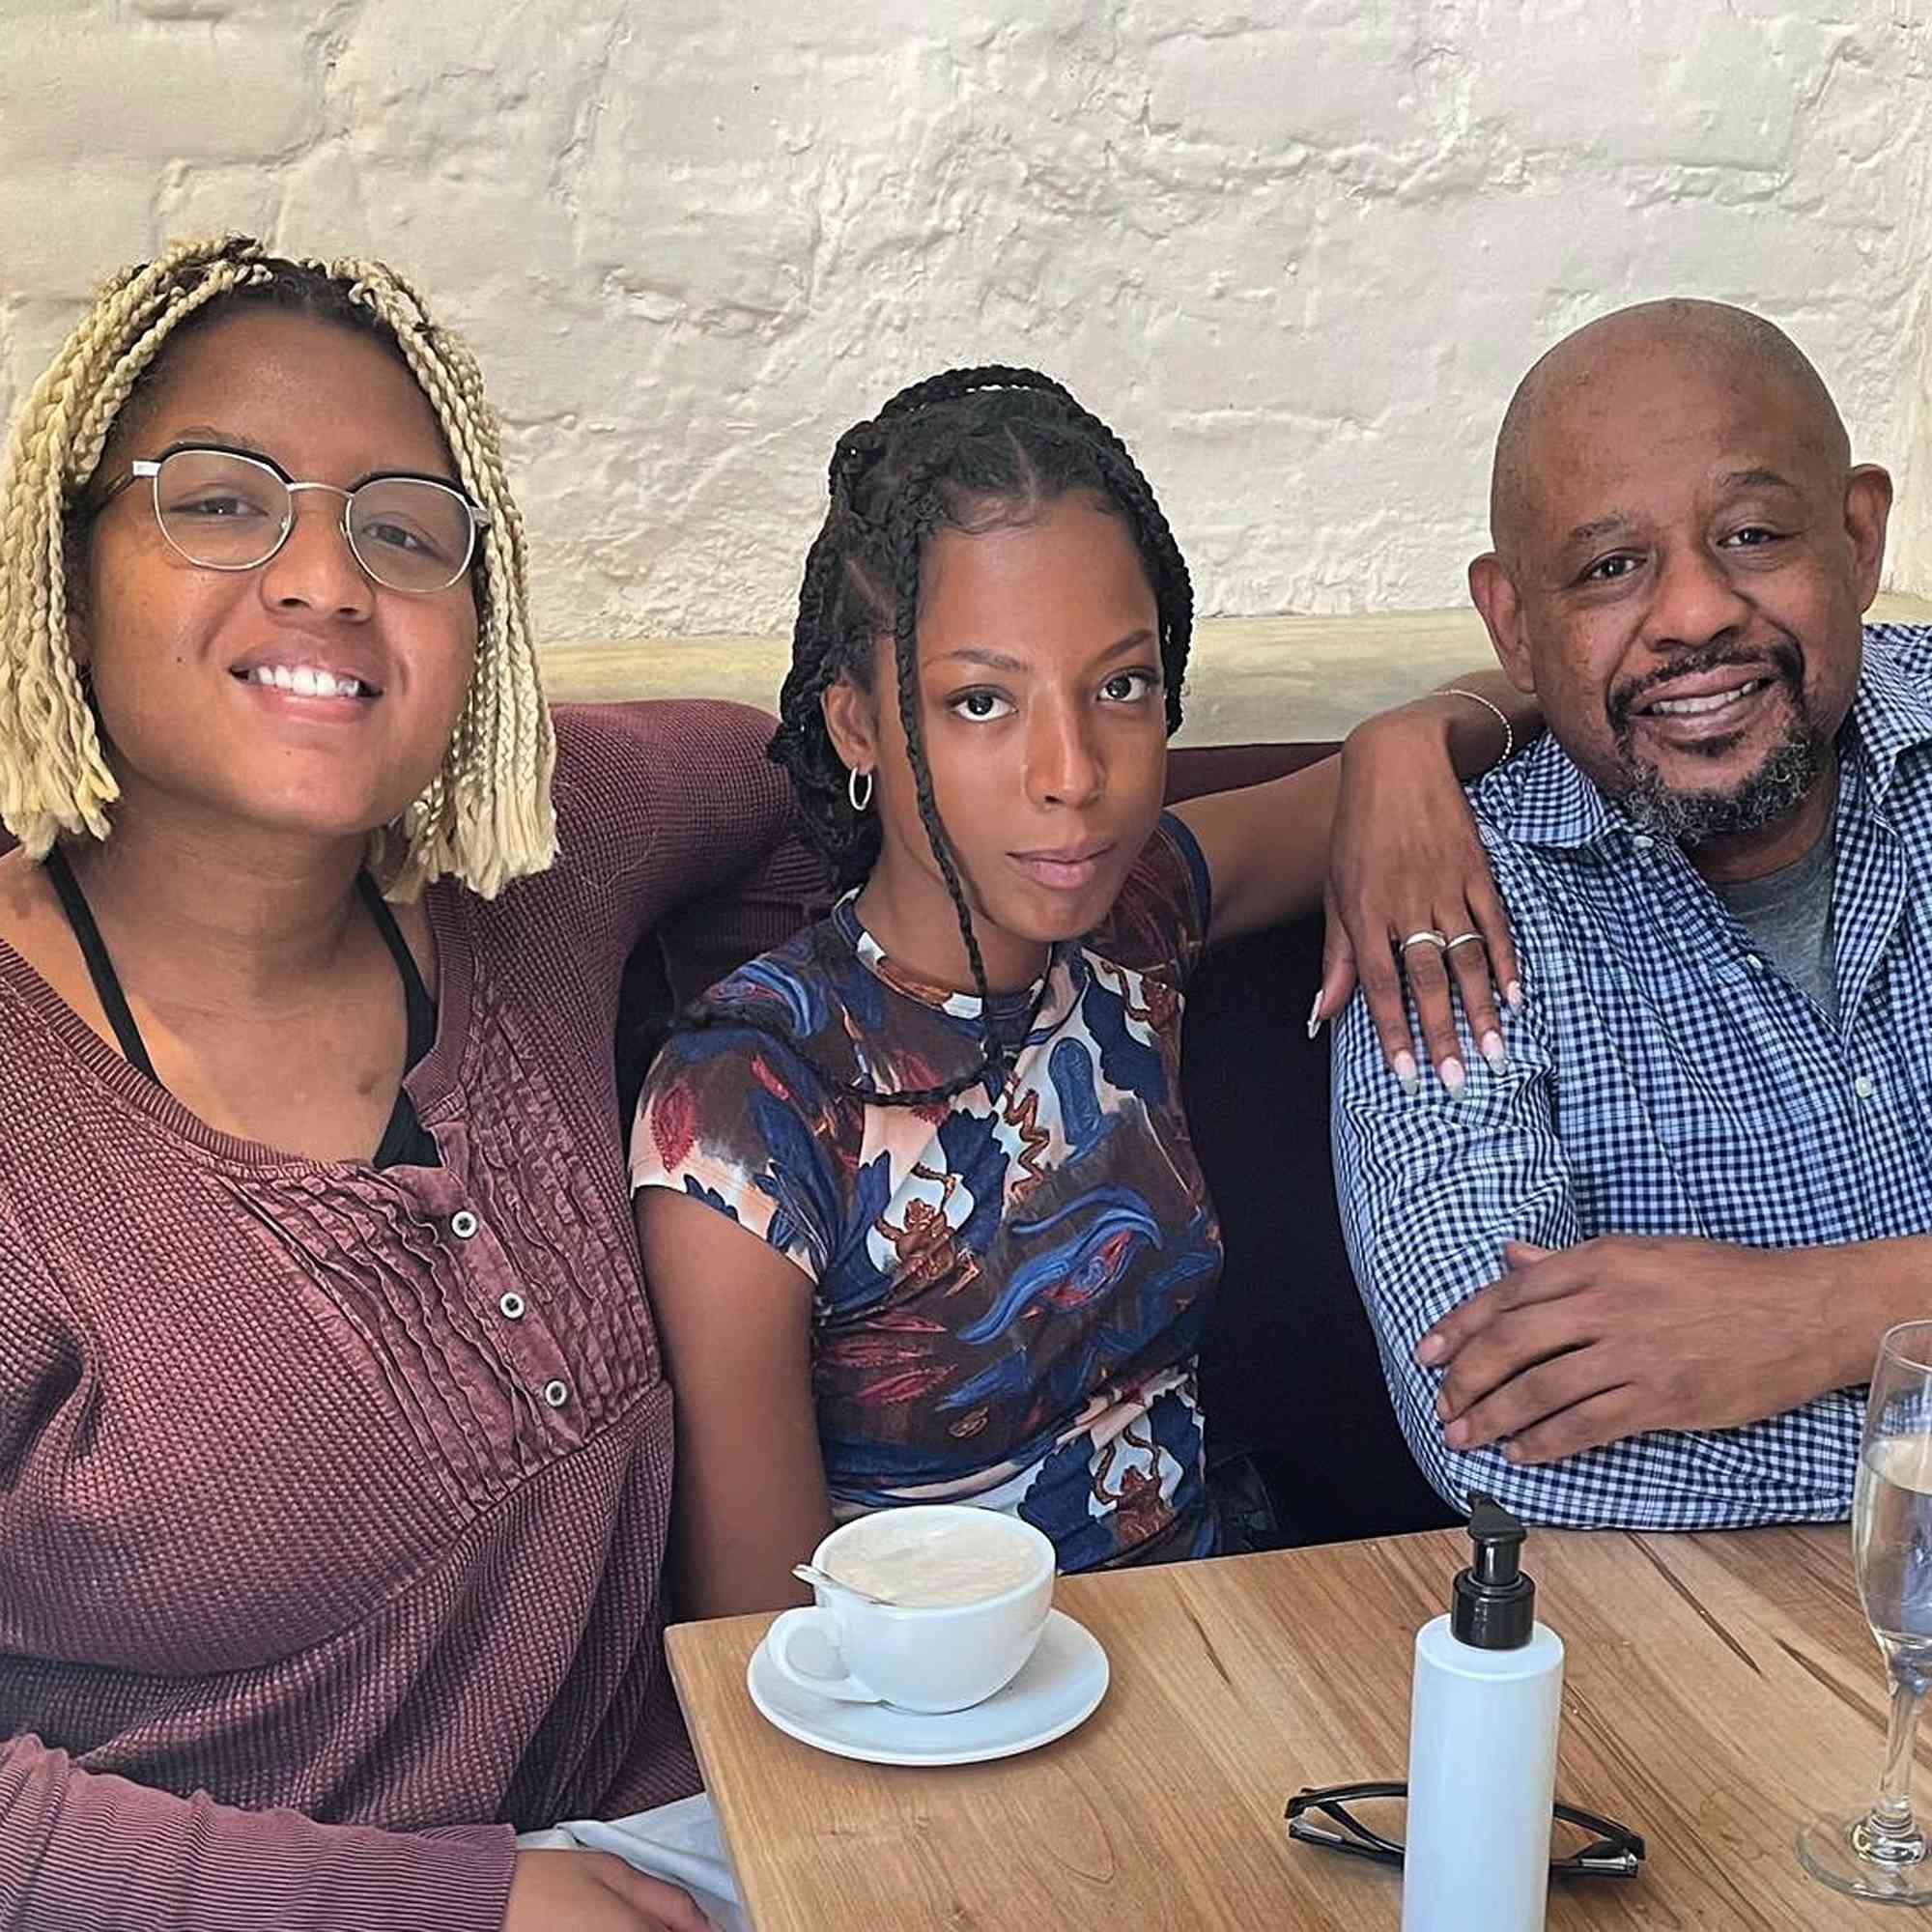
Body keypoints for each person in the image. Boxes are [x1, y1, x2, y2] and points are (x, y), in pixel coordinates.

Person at [0, 235, 814, 1932]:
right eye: (219, 501)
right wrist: (469, 1912)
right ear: (62, 576)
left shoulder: (534, 873)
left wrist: (1438, 744)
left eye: (400, 525)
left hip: (697, 1843)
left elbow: (806, 770)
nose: (323, 577)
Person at [630, 366, 1538, 1618]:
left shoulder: (1136, 915)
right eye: (982, 702)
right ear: (856, 725)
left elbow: (1519, 697)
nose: (1074, 775)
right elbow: (759, 1659)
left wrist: (1404, 743)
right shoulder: (750, 1108)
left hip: (1214, 1655)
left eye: (1119, 686)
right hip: (934, 1737)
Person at [1332, 298, 1932, 1531]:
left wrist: (1830, 1312)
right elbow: (1507, 1434)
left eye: (1752, 533)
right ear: (1510, 623)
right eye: (1610, 567)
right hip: (1723, 1683)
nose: (1695, 613)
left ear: (1859, 537)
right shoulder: (1454, 905)